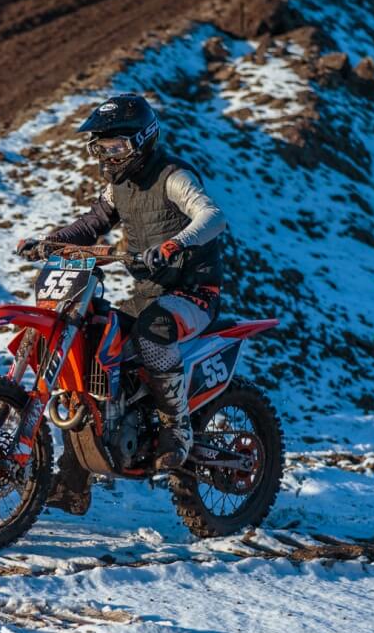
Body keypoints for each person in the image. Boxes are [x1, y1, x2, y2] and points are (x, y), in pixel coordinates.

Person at [16, 94, 227, 501]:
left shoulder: (173, 176)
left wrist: (175, 244)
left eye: (117, 148)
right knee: (93, 346)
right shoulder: (119, 187)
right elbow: (91, 224)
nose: (109, 157)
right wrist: (49, 243)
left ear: (143, 140)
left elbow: (212, 216)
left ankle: (177, 430)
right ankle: (74, 483)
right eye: (102, 149)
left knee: (151, 333)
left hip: (194, 294)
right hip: (148, 294)